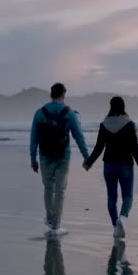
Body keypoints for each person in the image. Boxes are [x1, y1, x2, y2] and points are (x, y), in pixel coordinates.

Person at [30, 83, 90, 236]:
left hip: (44, 156)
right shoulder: (69, 113)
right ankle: (56, 226)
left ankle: (49, 220)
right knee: (60, 190)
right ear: (63, 94)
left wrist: (32, 159)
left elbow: (34, 139)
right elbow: (79, 137)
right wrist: (86, 157)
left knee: (48, 187)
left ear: (51, 94)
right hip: (63, 156)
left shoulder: (39, 113)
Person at [83, 97, 138, 238]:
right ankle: (122, 218)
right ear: (123, 106)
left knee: (111, 196)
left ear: (110, 107)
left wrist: (89, 162)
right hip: (125, 165)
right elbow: (135, 149)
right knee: (127, 196)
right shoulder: (129, 124)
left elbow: (99, 147)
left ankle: (115, 227)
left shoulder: (104, 124)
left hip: (109, 165)